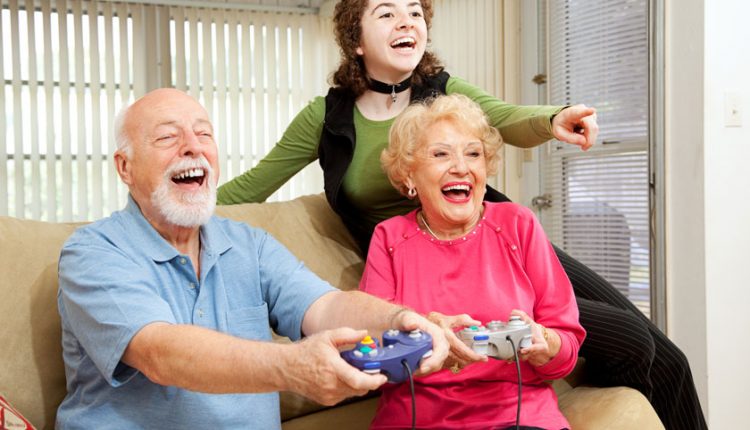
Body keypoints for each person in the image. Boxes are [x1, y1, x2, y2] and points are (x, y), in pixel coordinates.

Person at [217, 1, 707, 428]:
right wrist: (157, 212)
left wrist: (552, 119)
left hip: (496, 240)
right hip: (419, 258)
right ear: (356, 39)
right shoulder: (327, 117)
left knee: (656, 349)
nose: (405, 20)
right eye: (386, 12)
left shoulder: (441, 90)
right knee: (630, 343)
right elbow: (252, 186)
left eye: (415, 12)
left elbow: (505, 116)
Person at [55, 88, 450, 429]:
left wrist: (398, 320)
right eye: (167, 137)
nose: (194, 147)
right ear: (125, 167)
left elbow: (326, 306)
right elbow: (161, 353)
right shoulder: (92, 253)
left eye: (204, 133)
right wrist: (293, 367)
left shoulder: (249, 244)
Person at [360, 93, 585, 429]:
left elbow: (564, 349)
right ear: (409, 175)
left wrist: (547, 344)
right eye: (440, 154)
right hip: (419, 418)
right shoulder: (389, 239)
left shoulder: (517, 225)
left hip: (517, 415)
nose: (461, 167)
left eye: (473, 154)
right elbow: (374, 354)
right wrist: (426, 335)